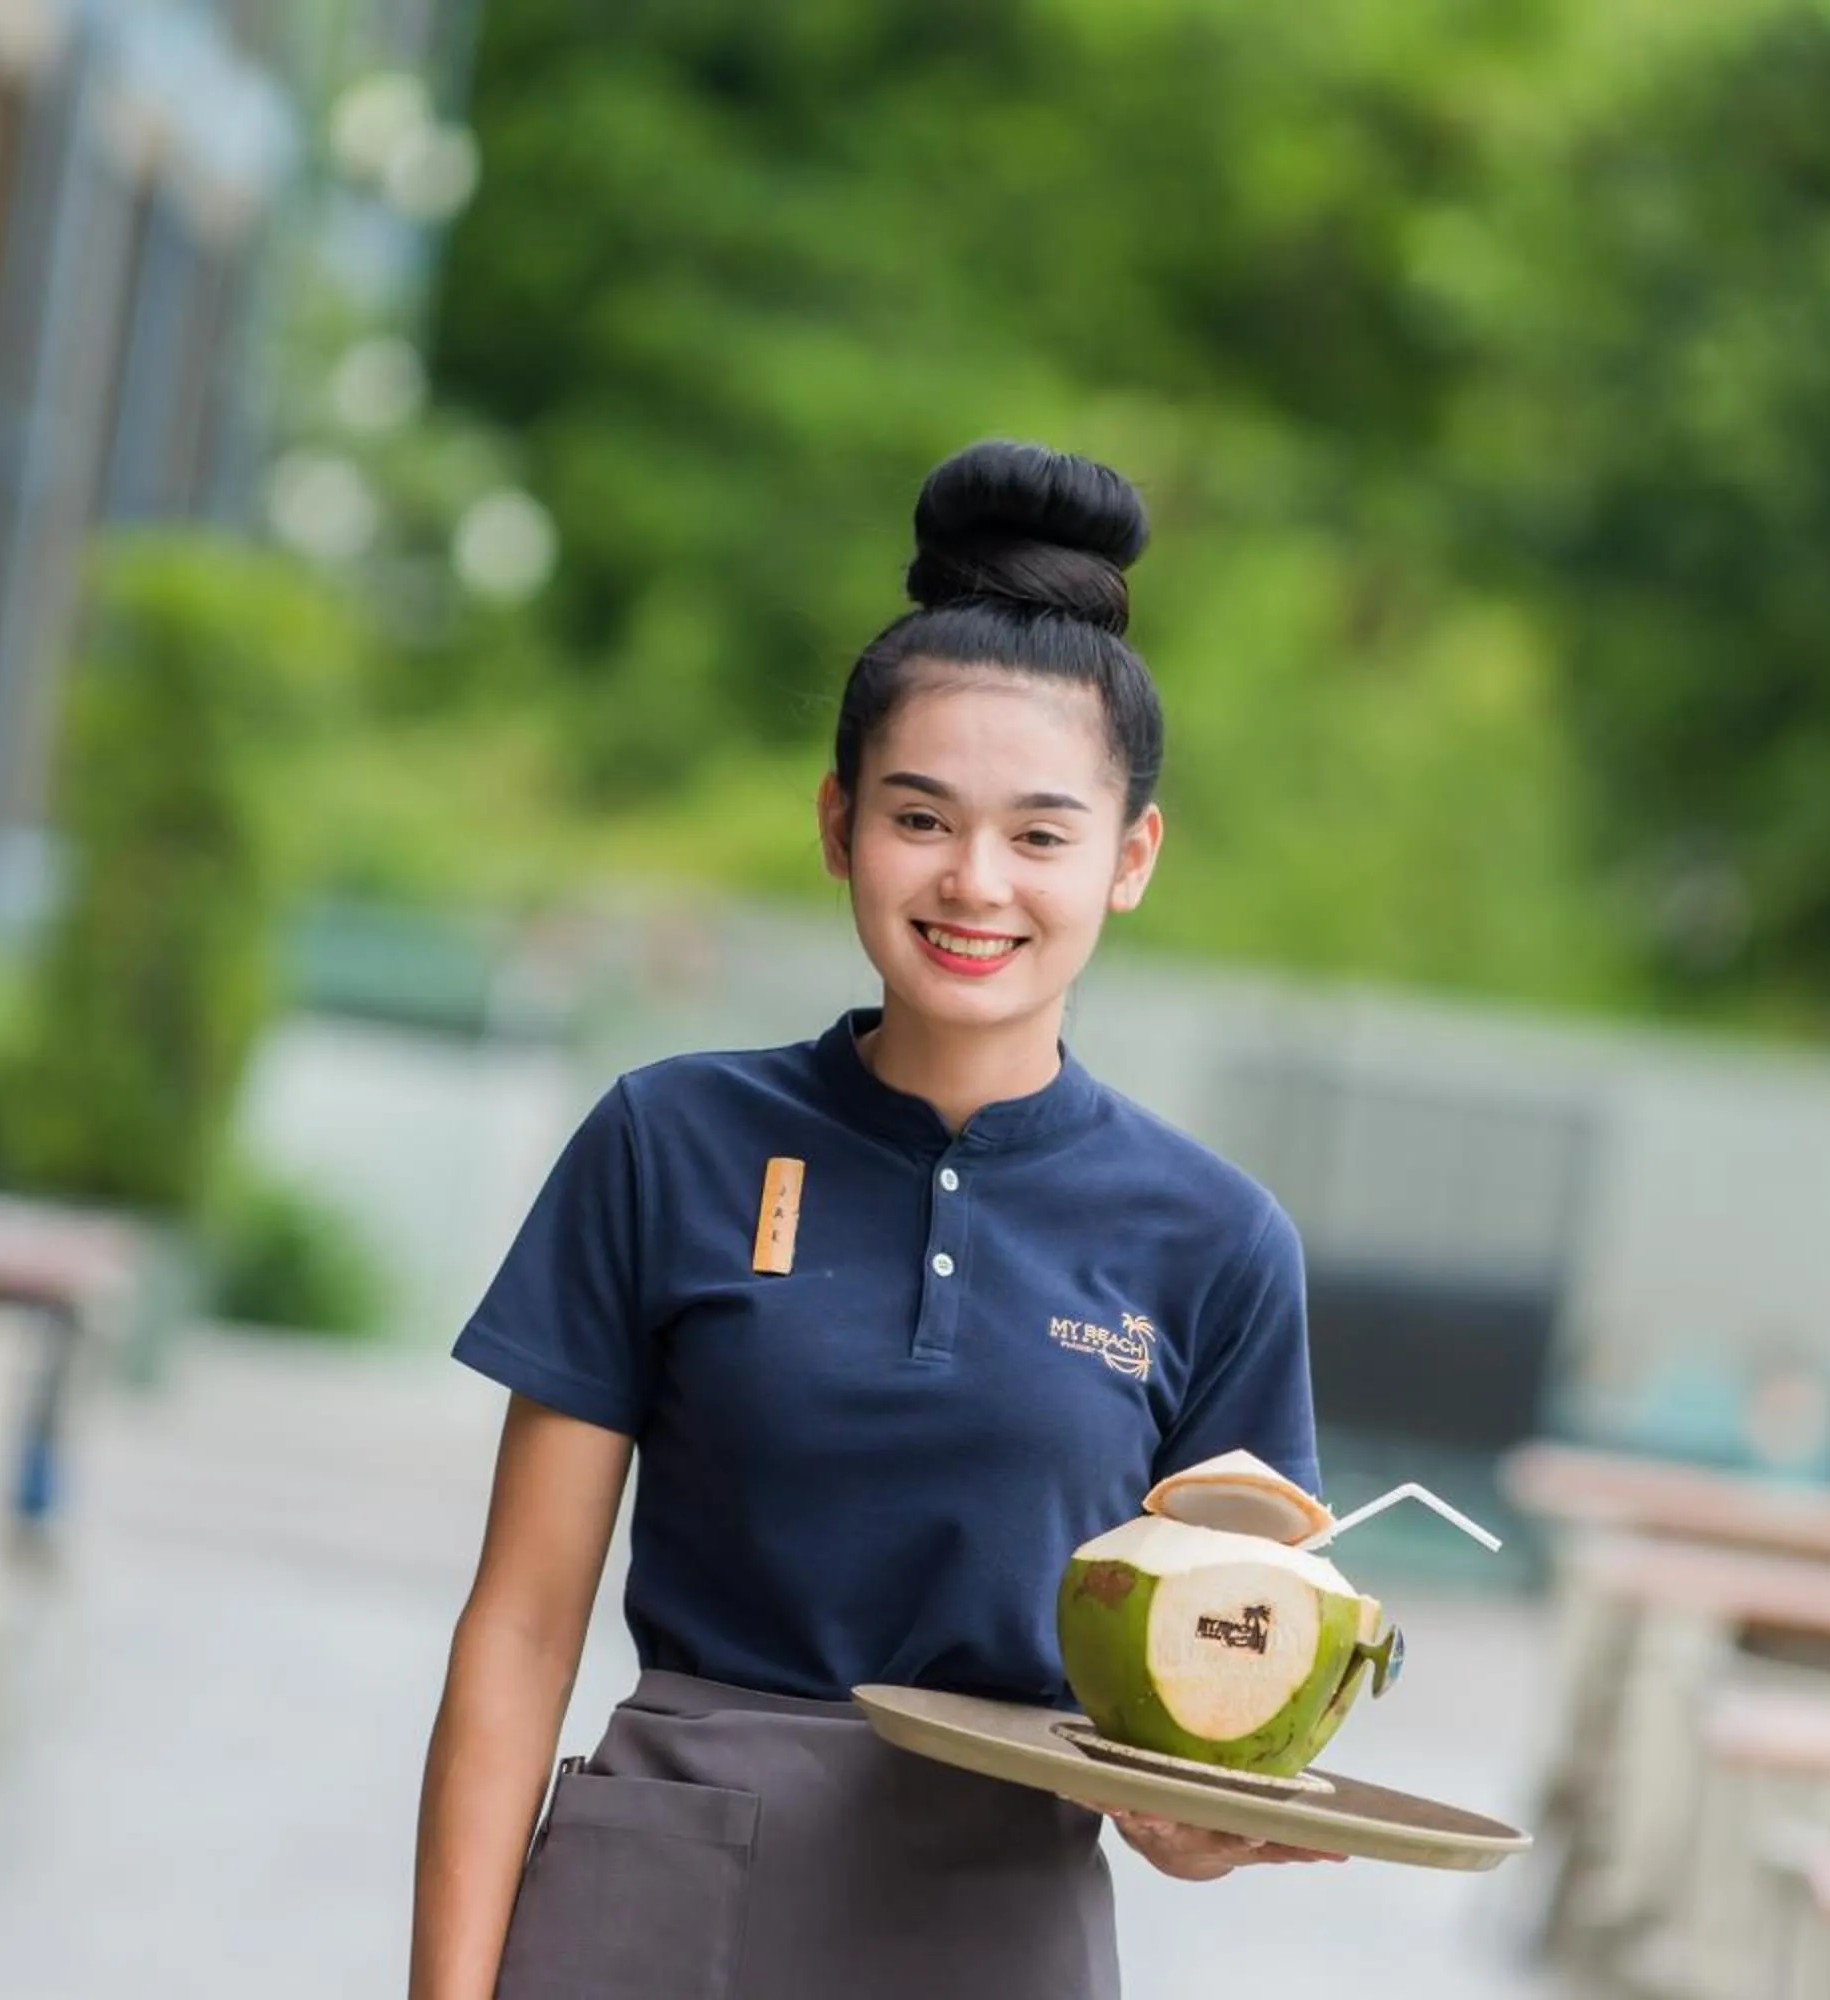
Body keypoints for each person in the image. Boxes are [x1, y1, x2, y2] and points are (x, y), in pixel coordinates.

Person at [411, 440, 1338, 2000]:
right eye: (923, 818)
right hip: (655, 1901)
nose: (977, 882)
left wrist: (1200, 1824)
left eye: (1041, 834)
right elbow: (517, 1632)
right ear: (839, 824)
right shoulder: (668, 1140)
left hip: (995, 1930)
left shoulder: (1216, 1242)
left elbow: (1206, 1710)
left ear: (1131, 859)